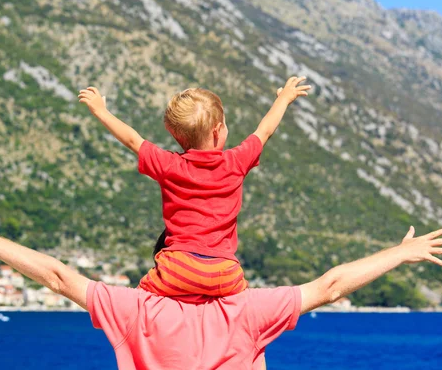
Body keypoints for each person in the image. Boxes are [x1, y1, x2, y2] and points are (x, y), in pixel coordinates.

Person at [0, 212, 442, 369]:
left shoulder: (135, 309)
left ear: (161, 260)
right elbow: (331, 285)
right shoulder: (248, 312)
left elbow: (58, 276)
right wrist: (400, 253)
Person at [77, 77, 311, 299]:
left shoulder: (169, 165)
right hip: (225, 273)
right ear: (218, 130)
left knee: (136, 302)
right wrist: (284, 99)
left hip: (177, 268)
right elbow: (265, 130)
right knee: (243, 305)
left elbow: (132, 140)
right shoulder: (236, 162)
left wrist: (101, 111)